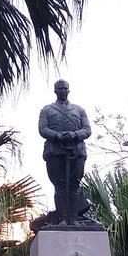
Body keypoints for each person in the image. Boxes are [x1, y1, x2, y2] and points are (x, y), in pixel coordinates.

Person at [37, 79, 93, 226]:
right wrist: (57, 135)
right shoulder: (47, 110)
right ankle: (62, 218)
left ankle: (74, 218)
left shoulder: (79, 110)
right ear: (55, 91)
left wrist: (74, 135)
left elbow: (87, 130)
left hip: (76, 150)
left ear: (69, 90)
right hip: (55, 151)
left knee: (74, 185)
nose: (62, 91)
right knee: (60, 186)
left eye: (65, 88)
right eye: (60, 89)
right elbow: (43, 129)